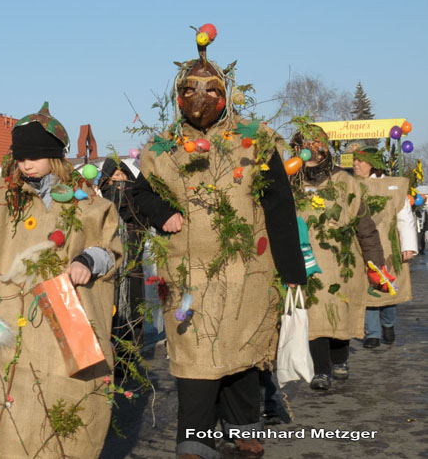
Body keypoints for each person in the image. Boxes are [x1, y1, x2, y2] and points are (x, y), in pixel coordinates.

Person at [131, 29, 306, 459]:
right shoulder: (162, 149)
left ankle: (245, 427)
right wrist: (160, 212)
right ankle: (196, 437)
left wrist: (292, 270)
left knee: (242, 348)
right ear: (177, 96)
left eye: (211, 90)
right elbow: (139, 194)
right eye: (190, 91)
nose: (200, 99)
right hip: (188, 270)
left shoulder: (255, 141)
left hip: (248, 268)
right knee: (194, 356)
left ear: (226, 94)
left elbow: (280, 204)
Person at [0, 102, 122, 459]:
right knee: (16, 407)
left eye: (34, 155)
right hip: (12, 324)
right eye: (20, 156)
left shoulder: (85, 202)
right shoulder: (6, 201)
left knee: (69, 403)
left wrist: (86, 261)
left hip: (65, 324)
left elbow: (109, 247)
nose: (26, 163)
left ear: (55, 156)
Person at [289, 127, 383, 391]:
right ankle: (321, 370)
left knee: (339, 311)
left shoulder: (345, 181)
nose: (312, 150)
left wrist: (375, 263)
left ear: (325, 148)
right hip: (306, 259)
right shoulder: (291, 182)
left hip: (342, 262)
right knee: (314, 314)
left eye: (317, 144)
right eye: (305, 144)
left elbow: (365, 226)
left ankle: (340, 357)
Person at [348, 146, 416, 348]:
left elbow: (405, 218)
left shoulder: (393, 186)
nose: (355, 164)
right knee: (367, 288)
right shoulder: (351, 186)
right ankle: (372, 333)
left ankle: (388, 324)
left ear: (373, 163)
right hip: (363, 246)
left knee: (388, 287)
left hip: (389, 245)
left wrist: (408, 246)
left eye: (361, 160)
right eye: (354, 160)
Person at [98, 157, 146, 351]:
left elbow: (140, 220)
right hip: (109, 265)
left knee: (132, 303)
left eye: (122, 175)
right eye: (115, 177)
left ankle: (129, 351)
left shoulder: (136, 202)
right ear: (107, 180)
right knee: (109, 304)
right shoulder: (102, 203)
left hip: (132, 263)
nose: (119, 181)